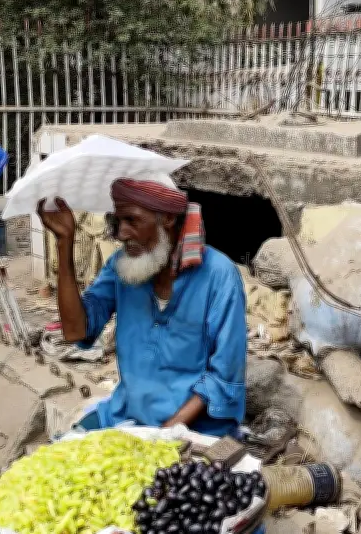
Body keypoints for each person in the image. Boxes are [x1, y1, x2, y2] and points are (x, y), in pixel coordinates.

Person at [37, 178, 248, 438]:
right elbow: (76, 332)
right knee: (59, 459)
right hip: (126, 415)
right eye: (118, 222)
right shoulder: (121, 267)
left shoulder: (219, 276)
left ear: (167, 220)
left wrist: (164, 436)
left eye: (132, 221)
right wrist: (64, 242)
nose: (122, 234)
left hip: (195, 428)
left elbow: (223, 376)